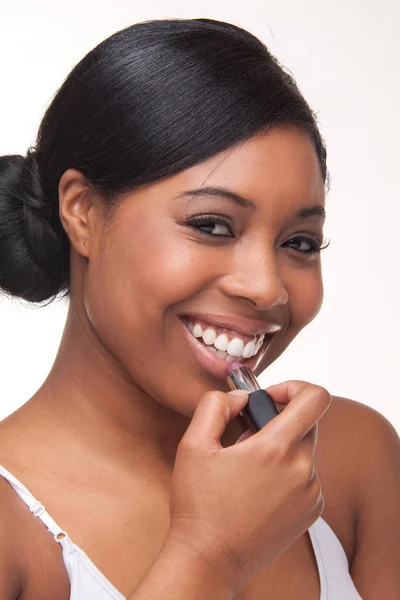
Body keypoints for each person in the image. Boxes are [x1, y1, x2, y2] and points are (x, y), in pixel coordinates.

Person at [0, 17, 398, 600]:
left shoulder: (350, 462)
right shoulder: (13, 529)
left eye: (299, 243)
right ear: (82, 212)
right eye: (211, 225)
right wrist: (210, 554)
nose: (267, 289)